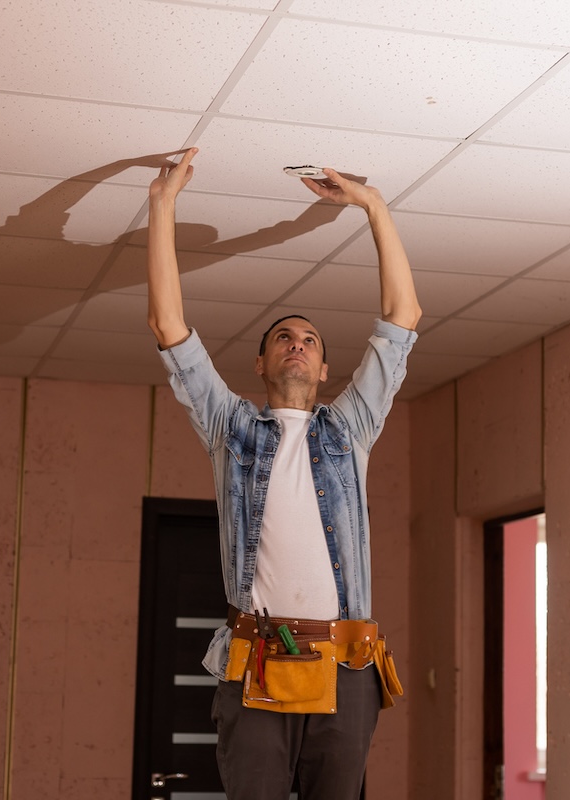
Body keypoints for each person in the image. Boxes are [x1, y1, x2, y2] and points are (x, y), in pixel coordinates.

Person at [147, 147, 420, 800]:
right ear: (262, 365)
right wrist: (162, 205)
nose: (297, 343)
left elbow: (402, 319)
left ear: (325, 370)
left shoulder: (348, 428)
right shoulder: (230, 427)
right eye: (282, 339)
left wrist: (374, 205)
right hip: (257, 663)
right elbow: (168, 326)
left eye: (310, 340)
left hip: (346, 666)